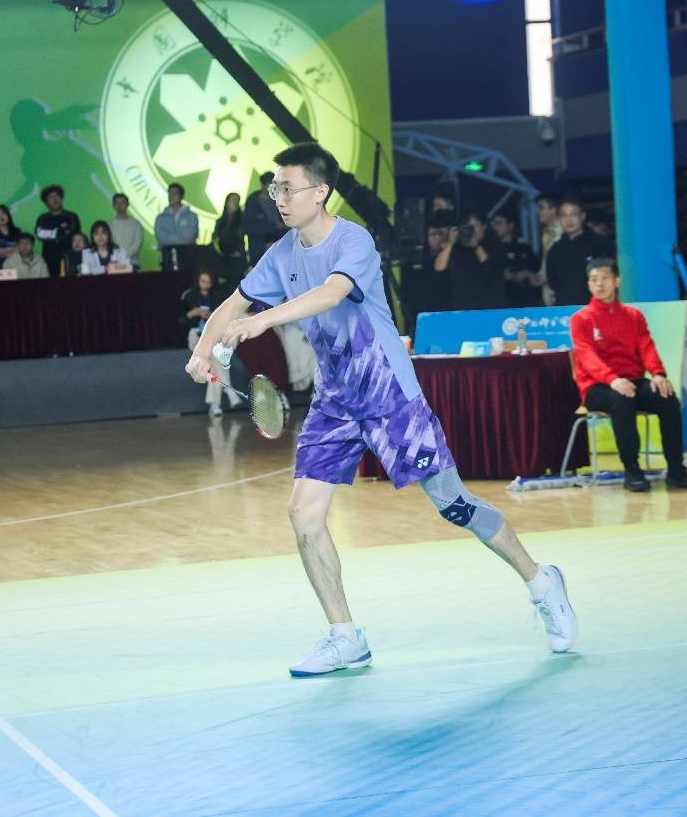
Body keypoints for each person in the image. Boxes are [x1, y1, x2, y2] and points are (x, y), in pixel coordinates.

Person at [186, 142, 577, 677]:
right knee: (304, 515)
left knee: (453, 505)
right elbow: (233, 302)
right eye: (275, 188)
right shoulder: (281, 253)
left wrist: (263, 320)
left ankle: (541, 581)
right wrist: (204, 350)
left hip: (389, 395)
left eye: (288, 188)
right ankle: (345, 636)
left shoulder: (355, 241)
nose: (279, 198)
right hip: (335, 401)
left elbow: (331, 293)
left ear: (320, 192)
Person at [570, 259, 687, 492]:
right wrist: (613, 380)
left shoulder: (634, 316)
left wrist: (658, 374)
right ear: (588, 284)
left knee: (667, 397)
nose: (599, 284)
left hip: (633, 381)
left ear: (617, 281)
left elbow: (646, 347)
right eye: (594, 280)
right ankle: (632, 470)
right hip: (598, 387)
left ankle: (676, 469)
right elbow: (587, 357)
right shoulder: (581, 319)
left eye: (605, 278)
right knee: (622, 400)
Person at [181, 270, 242, 417]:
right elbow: (180, 320)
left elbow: (224, 318)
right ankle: (228, 390)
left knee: (214, 357)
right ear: (198, 281)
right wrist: (192, 313)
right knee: (214, 354)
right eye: (203, 282)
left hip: (213, 334)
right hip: (196, 334)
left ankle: (215, 405)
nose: (206, 285)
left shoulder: (217, 296)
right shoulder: (188, 295)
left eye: (208, 282)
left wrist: (211, 315)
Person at [544, 198, 611, 307]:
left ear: (582, 216)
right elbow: (553, 281)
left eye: (574, 214)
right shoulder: (555, 250)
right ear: (559, 219)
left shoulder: (599, 244)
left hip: (596, 307)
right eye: (564, 215)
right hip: (564, 308)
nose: (569, 220)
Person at [433, 210, 501, 310]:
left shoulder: (493, 244)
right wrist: (450, 243)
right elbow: (439, 269)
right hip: (460, 308)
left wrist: (475, 245)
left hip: (486, 308)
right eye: (467, 225)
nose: (471, 229)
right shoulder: (456, 247)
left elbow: (492, 270)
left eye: (475, 225)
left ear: (484, 226)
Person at [489, 212, 542, 307]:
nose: (496, 227)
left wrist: (527, 273)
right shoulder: (492, 249)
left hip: (526, 300)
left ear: (510, 225)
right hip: (503, 300)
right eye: (493, 224)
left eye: (499, 223)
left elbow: (536, 269)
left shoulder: (523, 247)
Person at [34, 184, 81, 277]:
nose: (55, 199)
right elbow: (40, 235)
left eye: (57, 196)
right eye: (50, 197)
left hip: (69, 257)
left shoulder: (72, 216)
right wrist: (59, 232)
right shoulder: (42, 218)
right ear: (46, 202)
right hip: (49, 259)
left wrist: (50, 234)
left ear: (61, 198)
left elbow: (73, 235)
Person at [242, 171, 286, 264]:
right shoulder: (253, 202)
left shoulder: (279, 200)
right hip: (258, 248)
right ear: (262, 184)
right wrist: (274, 228)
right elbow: (248, 228)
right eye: (269, 185)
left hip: (278, 247)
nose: (272, 188)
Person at [155, 182, 199, 271]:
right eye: (170, 193)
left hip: (187, 258)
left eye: (175, 193)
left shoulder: (192, 216)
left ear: (182, 196)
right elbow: (161, 238)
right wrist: (181, 240)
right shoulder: (160, 218)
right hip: (166, 259)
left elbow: (190, 237)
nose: (171, 196)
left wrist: (169, 241)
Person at [108, 193, 143, 271]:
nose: (119, 205)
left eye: (122, 202)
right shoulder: (109, 224)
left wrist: (125, 255)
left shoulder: (136, 223)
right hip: (115, 263)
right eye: (117, 203)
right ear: (113, 205)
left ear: (128, 204)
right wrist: (117, 256)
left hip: (132, 263)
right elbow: (108, 243)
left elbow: (138, 243)